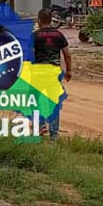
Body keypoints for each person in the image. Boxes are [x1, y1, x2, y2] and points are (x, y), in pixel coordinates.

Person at [33, 8, 72, 140]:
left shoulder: (35, 36)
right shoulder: (59, 35)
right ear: (51, 20)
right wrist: (69, 71)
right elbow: (67, 54)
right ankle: (54, 134)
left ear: (39, 20)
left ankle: (41, 125)